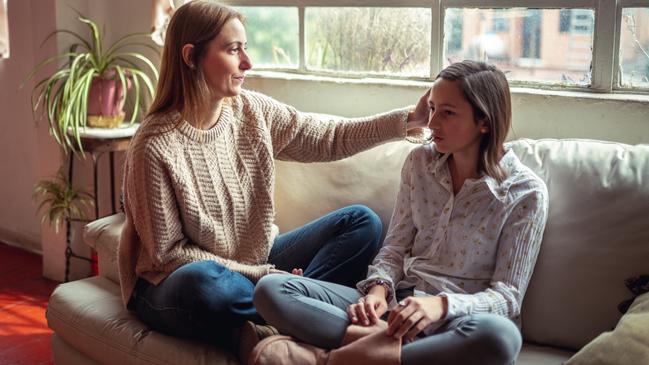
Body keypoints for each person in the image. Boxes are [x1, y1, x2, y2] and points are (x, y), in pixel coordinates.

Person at [118, 0, 427, 348]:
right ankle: (293, 312)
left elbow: (329, 138)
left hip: (256, 266)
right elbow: (169, 255)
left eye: (245, 48)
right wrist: (261, 275)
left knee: (361, 222)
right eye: (234, 50)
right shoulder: (154, 144)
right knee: (203, 282)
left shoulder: (253, 111)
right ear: (191, 57)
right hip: (170, 283)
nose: (247, 63)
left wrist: (407, 121)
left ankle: (281, 317)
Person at [253, 60, 549, 365]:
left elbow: (507, 297)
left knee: (501, 337)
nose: (432, 124)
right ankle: (383, 355)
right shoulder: (419, 163)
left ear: (484, 121)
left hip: (455, 324)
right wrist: (378, 291)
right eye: (432, 109)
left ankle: (333, 358)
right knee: (272, 289)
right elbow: (394, 247)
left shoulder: (525, 193)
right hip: (396, 307)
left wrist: (441, 306)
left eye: (447, 113)